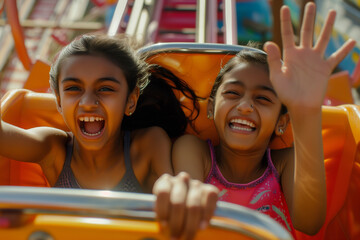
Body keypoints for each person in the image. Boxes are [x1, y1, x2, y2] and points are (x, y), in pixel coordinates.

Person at [0, 34, 219, 240]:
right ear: (58, 100)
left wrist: (181, 191)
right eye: (74, 88)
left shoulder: (148, 143)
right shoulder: (53, 147)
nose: (87, 102)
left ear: (130, 101)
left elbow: (170, 186)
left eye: (105, 88)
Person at [166, 2, 356, 237]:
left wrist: (306, 111)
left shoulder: (285, 163)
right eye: (233, 93)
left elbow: (309, 223)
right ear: (212, 107)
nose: (245, 106)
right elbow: (189, 199)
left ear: (282, 122)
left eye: (263, 99)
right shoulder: (194, 150)